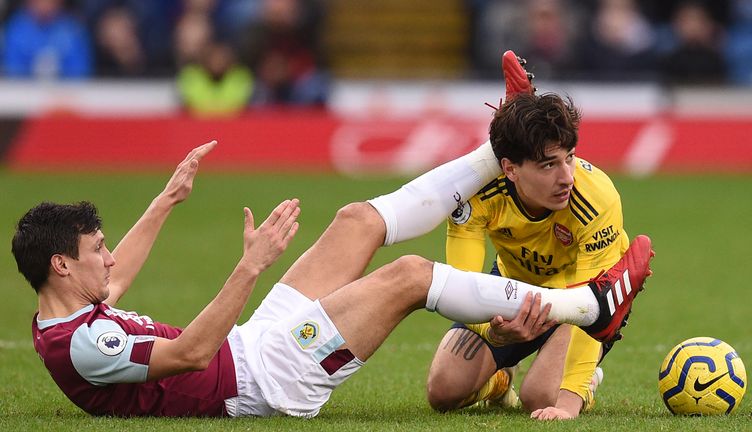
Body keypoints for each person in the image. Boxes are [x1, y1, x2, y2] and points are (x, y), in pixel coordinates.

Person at [12, 66, 653, 418]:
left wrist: (165, 200)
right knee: (407, 275)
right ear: (62, 265)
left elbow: (118, 279)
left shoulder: (74, 310)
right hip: (266, 381)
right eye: (97, 249)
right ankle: (589, 306)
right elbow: (189, 354)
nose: (110, 256)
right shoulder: (88, 342)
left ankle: (497, 149)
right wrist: (251, 266)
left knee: (354, 219)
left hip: (252, 349)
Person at [425, 51, 642, 420]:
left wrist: (569, 404)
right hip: (511, 291)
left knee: (541, 397)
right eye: (548, 165)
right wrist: (496, 329)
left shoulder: (597, 198)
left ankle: (587, 381)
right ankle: (499, 380)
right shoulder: (477, 195)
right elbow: (461, 285)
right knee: (443, 390)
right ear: (509, 169)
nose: (567, 177)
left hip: (580, 297)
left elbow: (595, 306)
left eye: (569, 157)